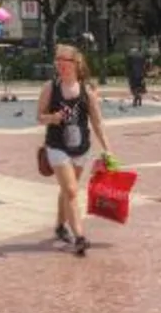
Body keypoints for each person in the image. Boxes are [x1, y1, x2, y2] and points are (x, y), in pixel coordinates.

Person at [37, 43, 116, 258]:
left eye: (65, 60)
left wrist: (108, 149)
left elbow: (97, 123)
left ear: (76, 63)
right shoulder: (50, 88)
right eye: (58, 60)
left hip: (81, 149)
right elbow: (39, 116)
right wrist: (52, 118)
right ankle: (79, 236)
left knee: (67, 190)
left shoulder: (86, 91)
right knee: (72, 191)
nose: (60, 64)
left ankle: (60, 225)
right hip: (57, 146)